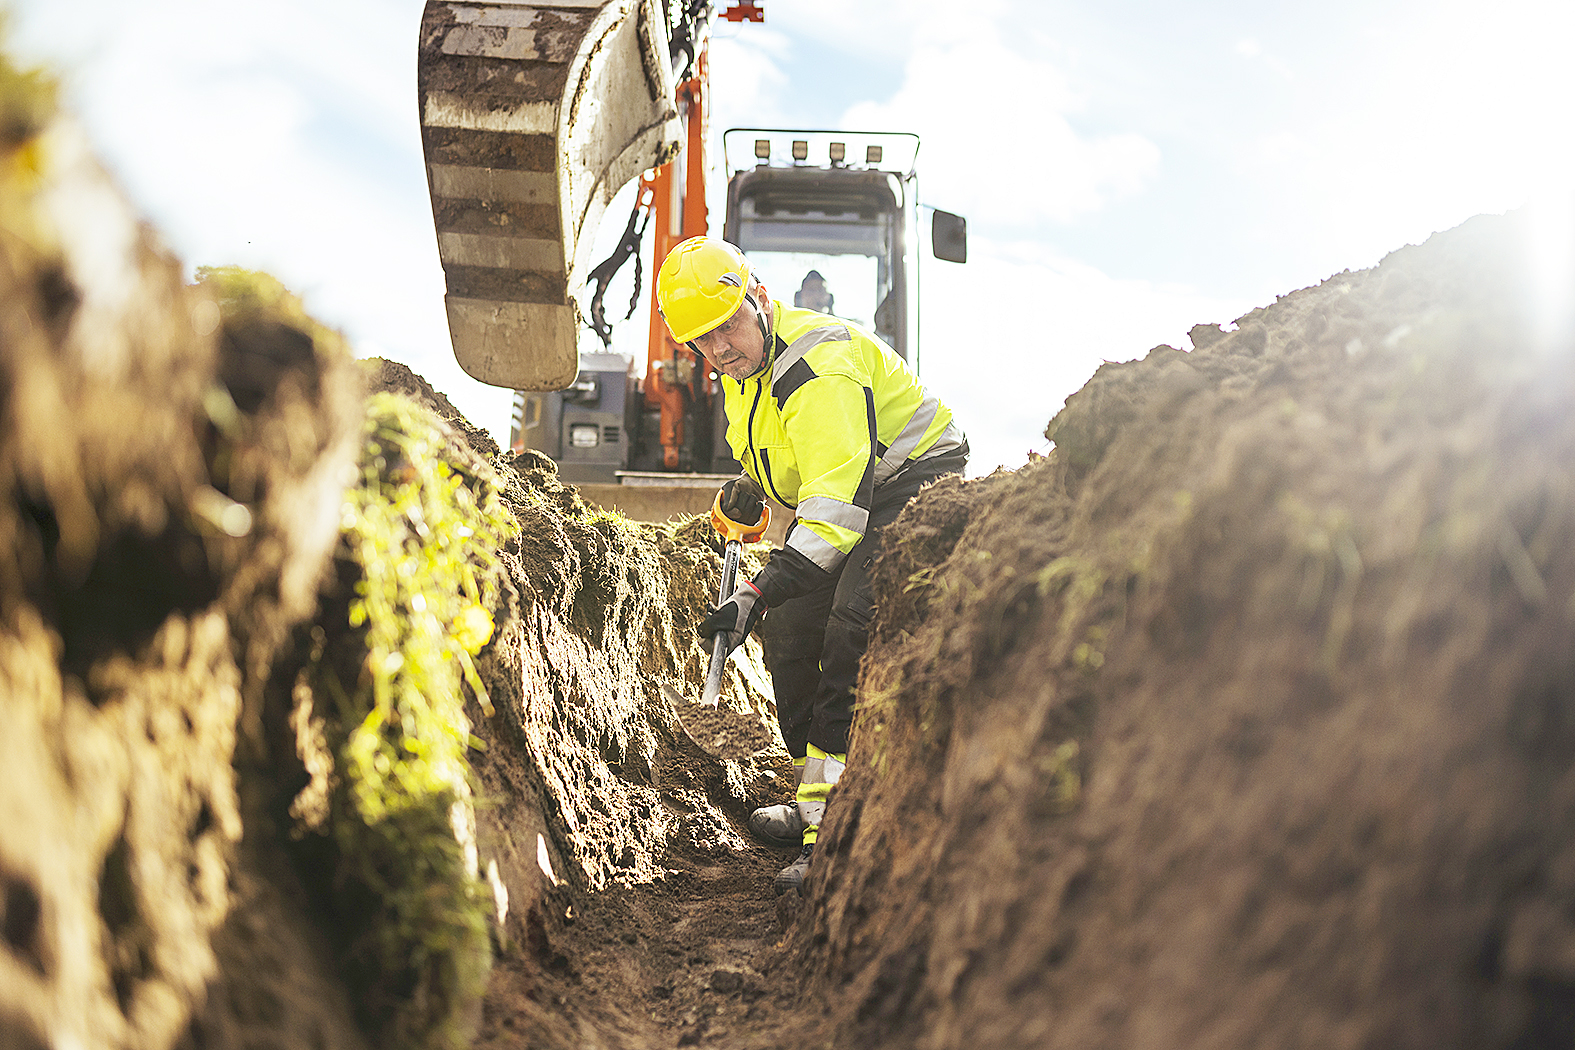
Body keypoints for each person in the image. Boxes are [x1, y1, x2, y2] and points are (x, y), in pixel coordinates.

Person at [654, 236, 968, 894]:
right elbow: (783, 450)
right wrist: (751, 485)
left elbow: (836, 517)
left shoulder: (816, 367)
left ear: (759, 299)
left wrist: (753, 592)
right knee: (793, 629)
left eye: (728, 326)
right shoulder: (744, 370)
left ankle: (833, 830)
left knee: (848, 627)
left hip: (909, 484)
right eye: (701, 342)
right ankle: (814, 797)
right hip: (849, 492)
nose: (719, 351)